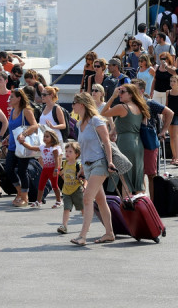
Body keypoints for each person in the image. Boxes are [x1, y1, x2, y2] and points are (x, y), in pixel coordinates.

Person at [70, 92, 117, 246]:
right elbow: (83, 148)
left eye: (74, 103)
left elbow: (107, 142)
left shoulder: (96, 120)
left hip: (99, 163)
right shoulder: (79, 124)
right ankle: (109, 233)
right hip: (88, 166)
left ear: (81, 104)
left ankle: (82, 236)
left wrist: (110, 162)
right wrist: (82, 168)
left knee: (87, 198)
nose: (72, 106)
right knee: (101, 201)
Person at [101, 83, 149, 194]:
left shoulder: (122, 107)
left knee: (125, 179)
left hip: (125, 143)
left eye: (122, 92)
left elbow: (103, 112)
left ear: (131, 95)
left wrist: (112, 97)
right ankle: (141, 206)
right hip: (138, 143)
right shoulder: (140, 107)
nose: (119, 94)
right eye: (119, 91)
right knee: (138, 178)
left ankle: (127, 208)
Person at [130, 78, 173, 198]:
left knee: (151, 174)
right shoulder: (128, 104)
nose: (130, 91)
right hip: (134, 142)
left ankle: (153, 204)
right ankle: (143, 200)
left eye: (134, 88)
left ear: (142, 90)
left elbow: (169, 113)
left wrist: (164, 131)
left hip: (148, 142)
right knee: (139, 174)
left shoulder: (149, 103)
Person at [4, 88, 39, 207]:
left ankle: (25, 197)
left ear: (19, 98)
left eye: (12, 97)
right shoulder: (13, 110)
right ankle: (20, 192)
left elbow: (35, 125)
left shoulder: (26, 111)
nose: (10, 99)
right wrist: (7, 138)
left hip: (23, 146)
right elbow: (13, 128)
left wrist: (24, 134)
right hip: (13, 146)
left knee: (22, 171)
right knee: (8, 169)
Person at [22, 129, 63, 208]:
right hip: (45, 169)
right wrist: (22, 142)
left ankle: (59, 200)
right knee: (41, 185)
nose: (45, 138)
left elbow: (57, 159)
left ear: (53, 138)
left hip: (52, 169)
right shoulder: (42, 147)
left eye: (47, 136)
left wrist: (56, 169)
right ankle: (38, 201)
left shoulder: (54, 148)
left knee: (54, 185)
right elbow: (31, 147)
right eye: (44, 136)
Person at [57, 142, 85, 234]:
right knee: (66, 208)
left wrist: (85, 186)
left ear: (76, 154)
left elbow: (84, 177)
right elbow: (64, 176)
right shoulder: (64, 163)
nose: (67, 153)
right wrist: (61, 174)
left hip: (77, 190)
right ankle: (64, 226)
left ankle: (86, 224)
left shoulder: (78, 165)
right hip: (66, 191)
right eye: (66, 151)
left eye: (70, 151)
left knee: (82, 209)